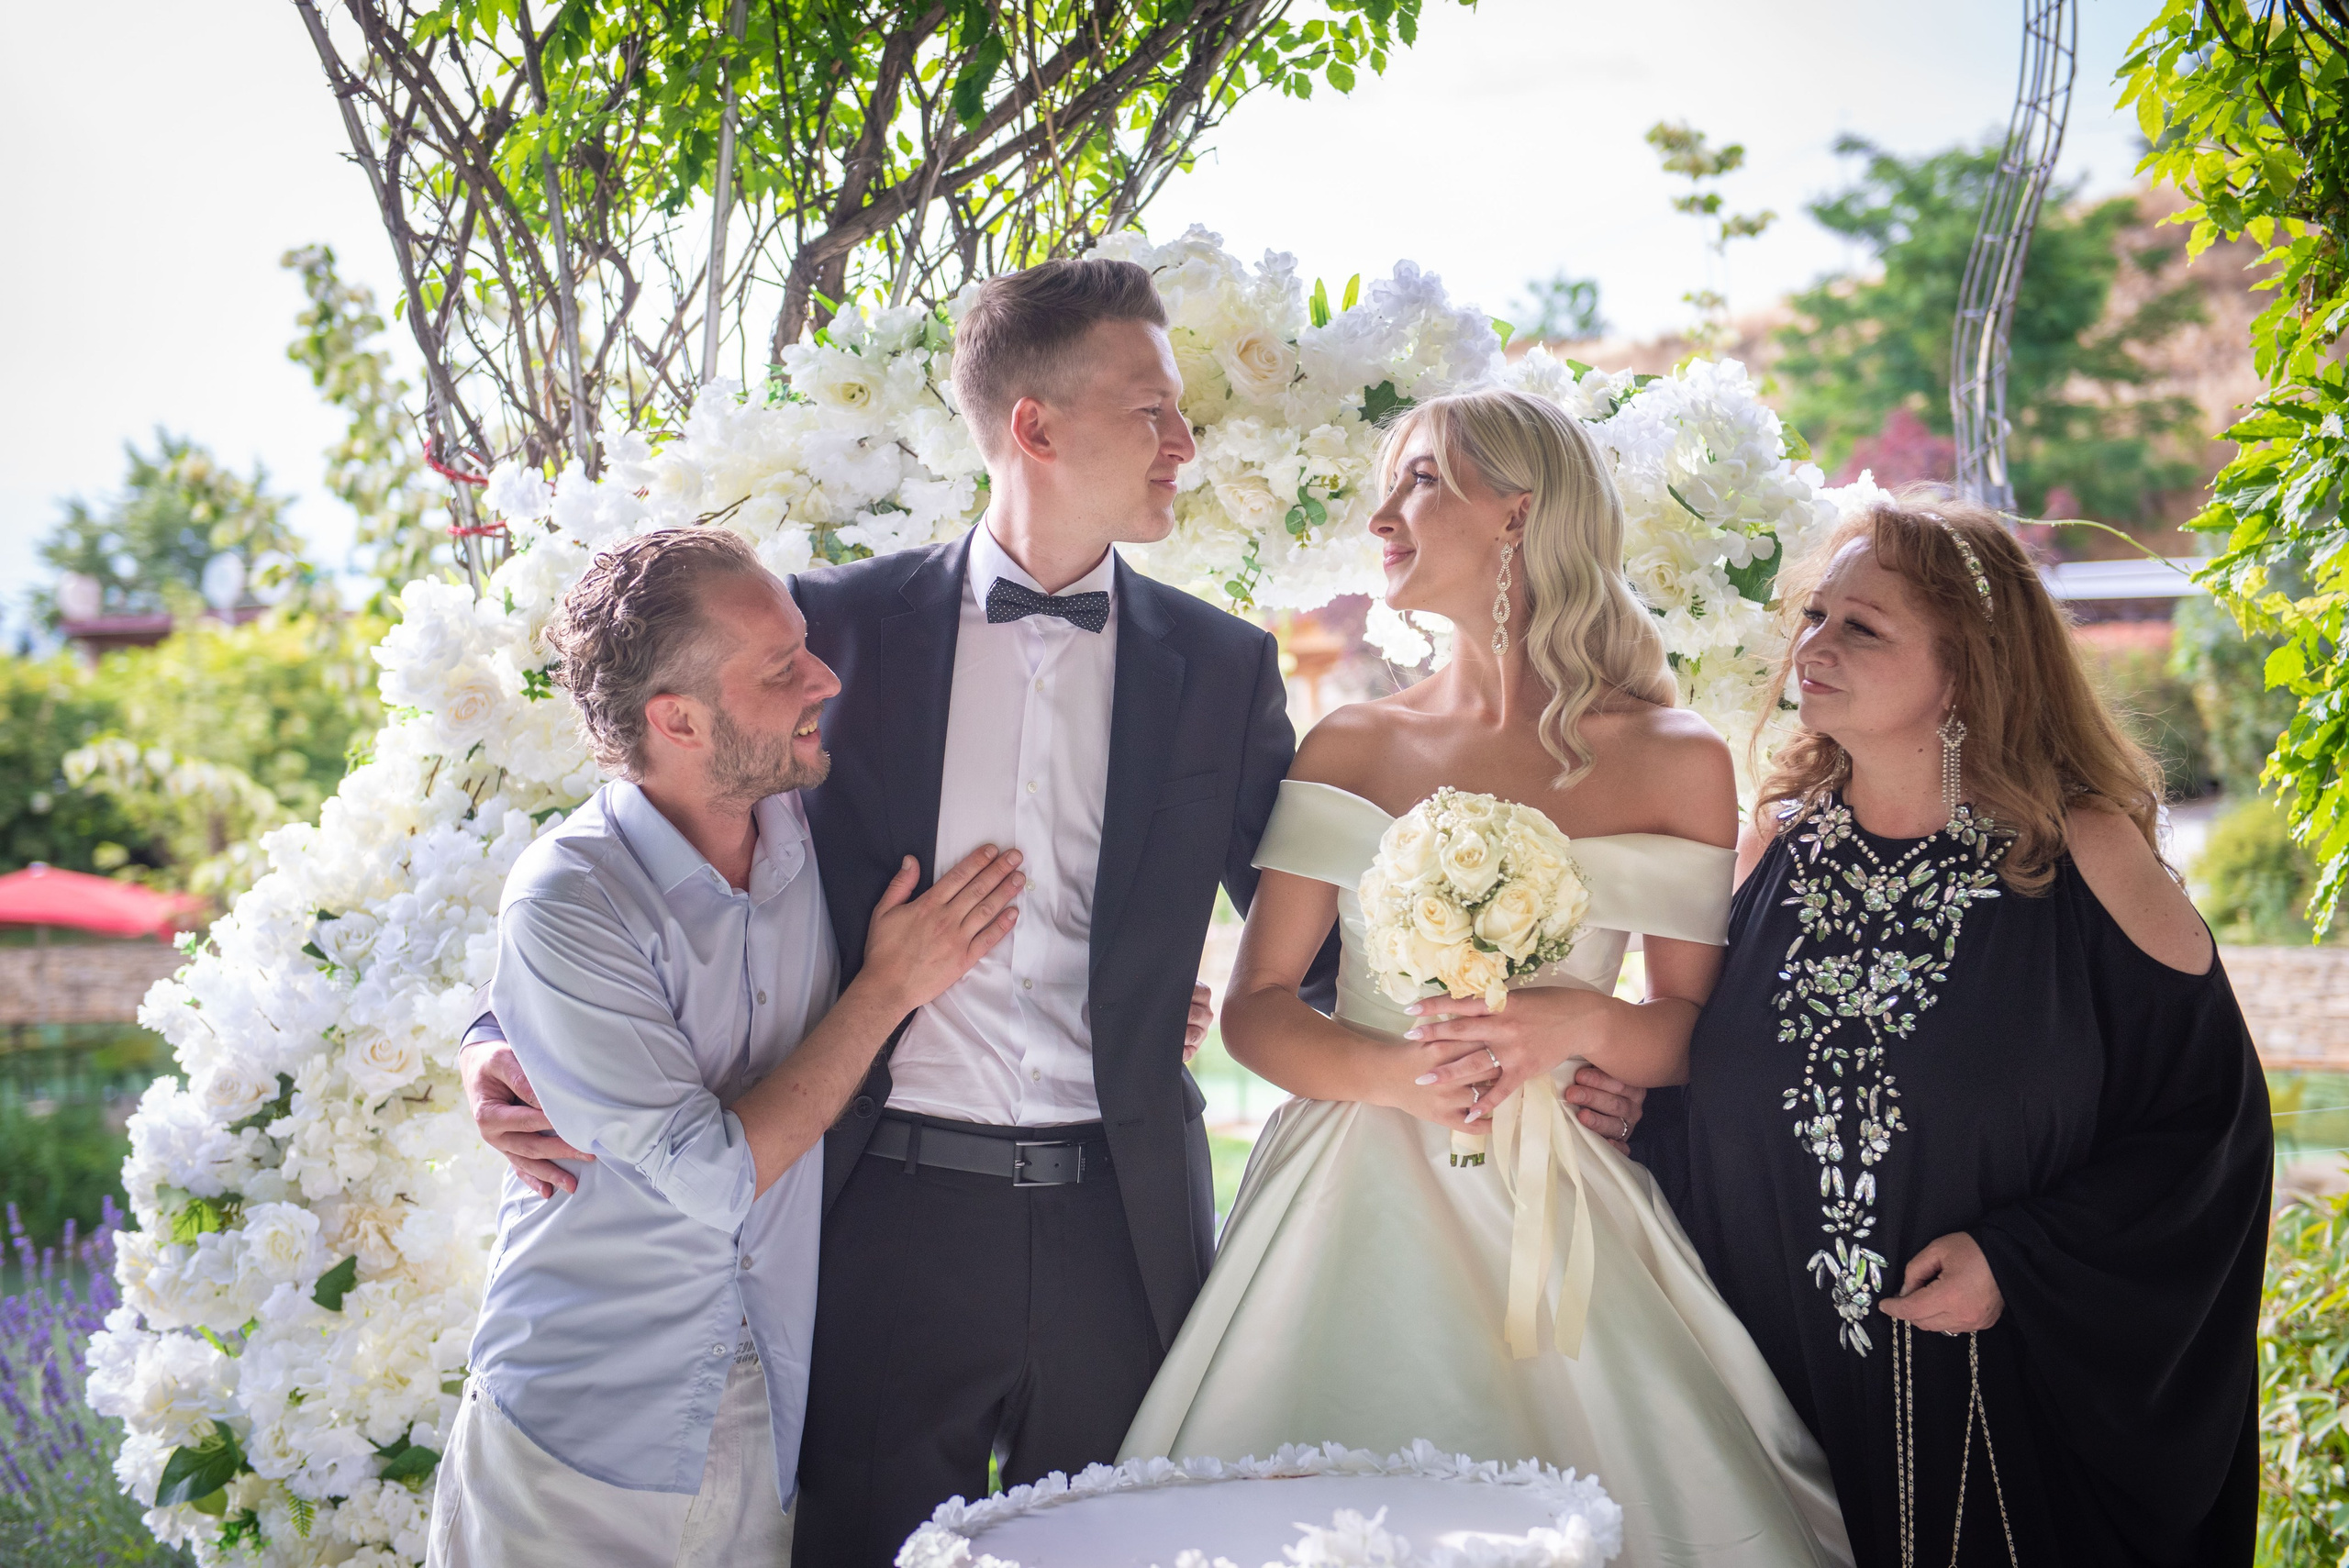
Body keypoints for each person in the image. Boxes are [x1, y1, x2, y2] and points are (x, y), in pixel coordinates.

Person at [457, 260, 1646, 1564]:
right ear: (1035, 425)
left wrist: (1526, 1054)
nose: (1185, 442)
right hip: (881, 1215)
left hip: (1118, 1220)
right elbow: (660, 819)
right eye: (1153, 410)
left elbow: (1320, 954)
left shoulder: (1222, 667)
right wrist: (498, 1035)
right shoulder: (832, 632)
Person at [1121, 388, 1852, 1567]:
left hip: (1562, 1195)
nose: (1380, 517)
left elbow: (1688, 1032)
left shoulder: (1675, 758)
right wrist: (1397, 1076)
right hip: (1346, 1193)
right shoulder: (1351, 742)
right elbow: (1256, 1012)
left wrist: (1581, 1021)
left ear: (1517, 513)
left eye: (1418, 480)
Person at [1655, 495, 2271, 1564]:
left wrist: (2020, 1261)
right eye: (1814, 615)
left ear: (1966, 670)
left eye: (1862, 626)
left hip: (2004, 1414)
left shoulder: (2086, 856)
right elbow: (1720, 1092)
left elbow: (2209, 1133)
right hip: (1781, 1400)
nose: (1813, 645)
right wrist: (1636, 1110)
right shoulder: (1773, 850)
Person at [426, 528, 1025, 1568]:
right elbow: (711, 1175)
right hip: (574, 1436)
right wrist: (886, 988)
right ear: (679, 720)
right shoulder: (569, 894)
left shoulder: (824, 835)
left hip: (769, 1407)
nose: (826, 679)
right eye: (782, 667)